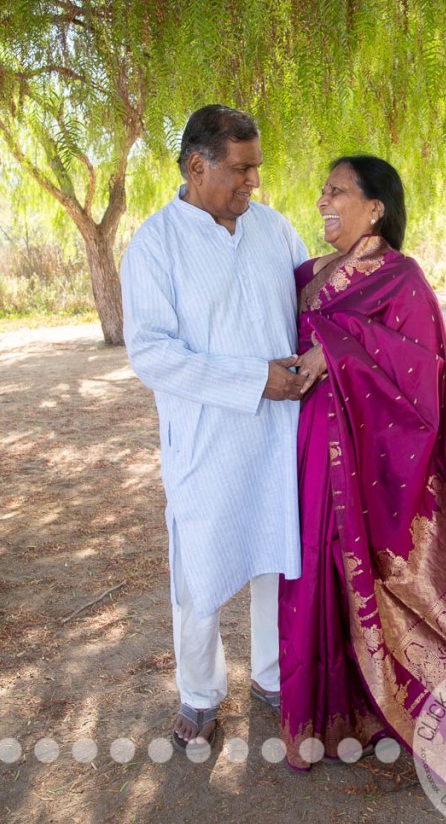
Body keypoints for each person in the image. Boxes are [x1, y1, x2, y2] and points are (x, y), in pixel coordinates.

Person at [279, 155, 446, 770]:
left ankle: (382, 712)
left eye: (337, 191)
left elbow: (420, 372)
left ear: (375, 207)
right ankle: (324, 713)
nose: (322, 200)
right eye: (321, 189)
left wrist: (335, 349)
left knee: (364, 573)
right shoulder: (309, 272)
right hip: (304, 450)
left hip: (363, 458)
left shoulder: (401, 277)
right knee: (310, 573)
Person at [121, 105, 307, 752]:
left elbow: (313, 310)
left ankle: (272, 676)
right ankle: (199, 693)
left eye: (256, 168)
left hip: (278, 434)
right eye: (241, 169)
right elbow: (152, 353)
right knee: (198, 571)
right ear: (198, 166)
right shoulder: (153, 245)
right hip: (204, 441)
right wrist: (253, 379)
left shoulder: (276, 231)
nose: (253, 182)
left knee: (275, 558)